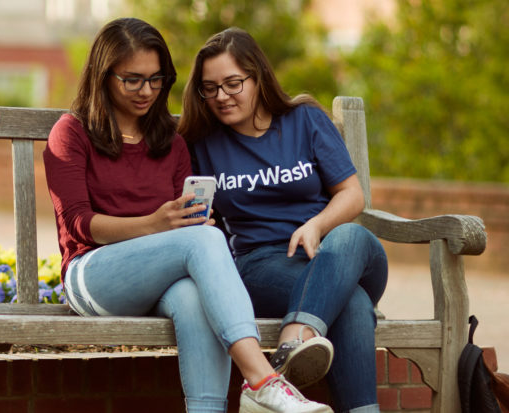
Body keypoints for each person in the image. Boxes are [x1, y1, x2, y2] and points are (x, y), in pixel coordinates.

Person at [43, 18, 331, 413]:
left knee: (194, 293)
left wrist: (190, 224)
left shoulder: (172, 143)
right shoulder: (72, 132)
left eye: (156, 79)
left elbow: (187, 227)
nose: (146, 91)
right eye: (132, 80)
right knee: (205, 241)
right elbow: (78, 222)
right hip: (92, 275)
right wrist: (157, 225)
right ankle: (262, 380)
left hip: (160, 281)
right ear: (102, 75)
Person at [179, 27, 389, 413]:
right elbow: (194, 211)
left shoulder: (304, 119)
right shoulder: (202, 141)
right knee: (353, 300)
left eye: (232, 84)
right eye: (210, 88)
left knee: (352, 237)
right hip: (260, 264)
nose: (221, 97)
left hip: (329, 250)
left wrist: (316, 226)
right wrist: (200, 223)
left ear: (258, 77)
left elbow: (352, 194)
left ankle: (295, 337)